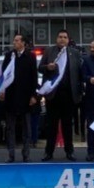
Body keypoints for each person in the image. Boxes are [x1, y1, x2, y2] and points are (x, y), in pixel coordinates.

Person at [39, 29, 82, 161]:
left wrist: (80, 92)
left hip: (69, 95)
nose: (62, 39)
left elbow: (79, 73)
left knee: (67, 125)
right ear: (56, 39)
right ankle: (49, 152)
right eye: (60, 37)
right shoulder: (49, 51)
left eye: (64, 37)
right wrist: (48, 67)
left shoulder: (74, 53)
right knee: (51, 125)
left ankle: (69, 151)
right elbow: (40, 68)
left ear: (68, 40)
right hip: (53, 94)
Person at [0, 33, 39, 162]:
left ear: (23, 43)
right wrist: (2, 91)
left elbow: (34, 77)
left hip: (25, 97)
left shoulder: (30, 57)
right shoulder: (9, 56)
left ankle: (26, 154)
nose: (14, 42)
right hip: (11, 97)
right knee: (10, 128)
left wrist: (33, 95)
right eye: (14, 40)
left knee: (26, 128)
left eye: (17, 40)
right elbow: (3, 75)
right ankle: (11, 154)